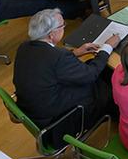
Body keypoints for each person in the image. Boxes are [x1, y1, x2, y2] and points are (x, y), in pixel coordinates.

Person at [13, 8, 115, 149]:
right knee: (109, 85)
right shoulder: (58, 56)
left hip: (36, 113)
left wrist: (76, 53)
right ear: (51, 35)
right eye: (62, 26)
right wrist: (107, 48)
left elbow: (47, 64)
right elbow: (90, 75)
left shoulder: (24, 47)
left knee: (93, 68)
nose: (64, 28)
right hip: (58, 124)